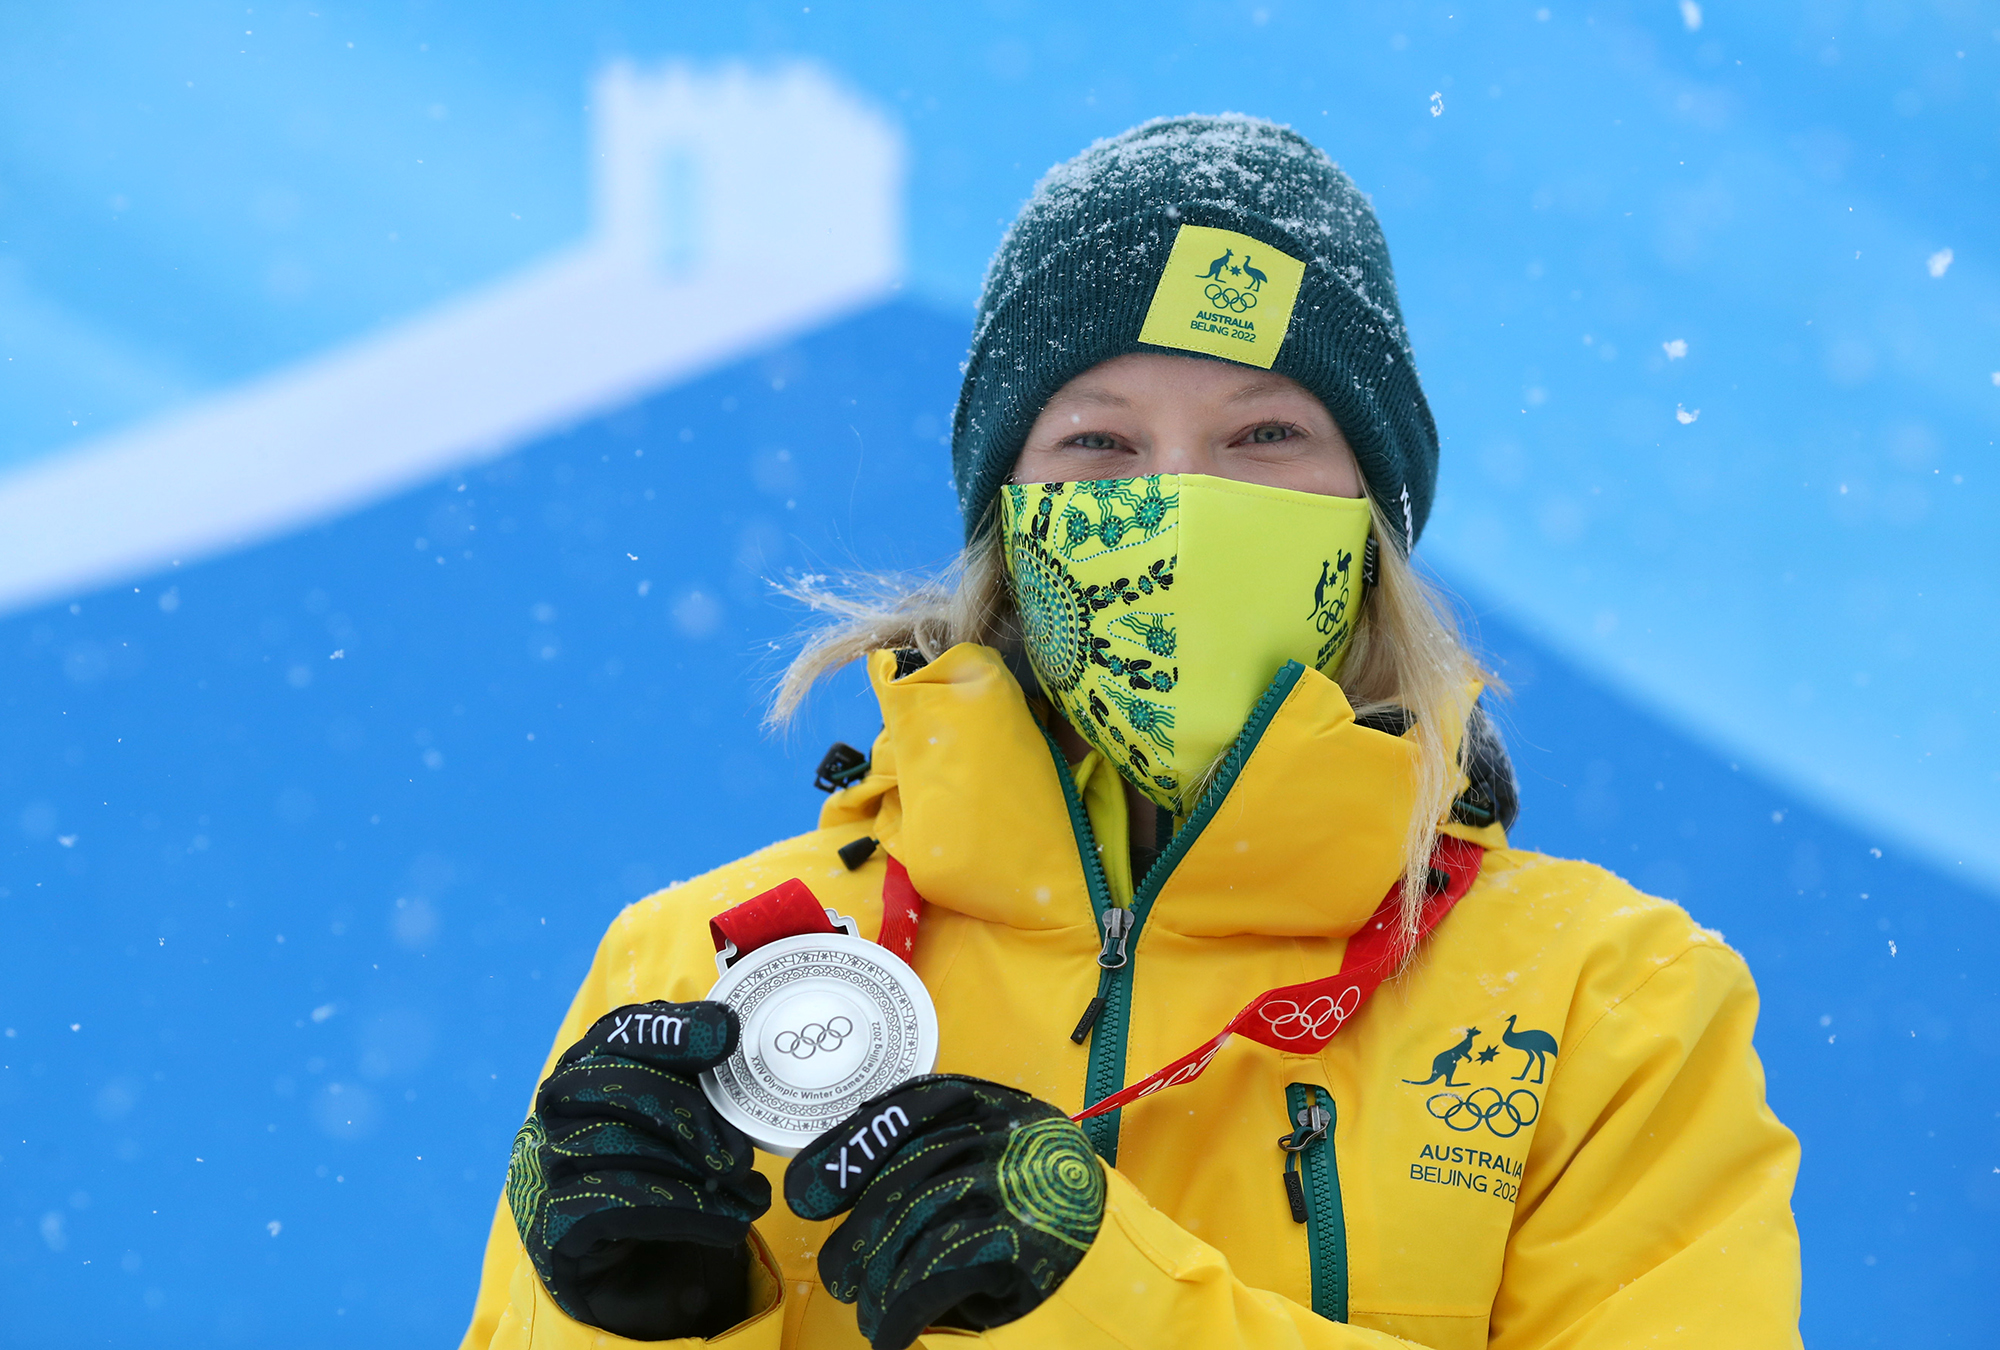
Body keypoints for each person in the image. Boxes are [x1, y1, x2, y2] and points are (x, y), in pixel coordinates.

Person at [459, 116, 1802, 1350]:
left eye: (1266, 431)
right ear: (1007, 516)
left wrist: (1113, 1306)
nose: (1181, 502)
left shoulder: (1603, 1001)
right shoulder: (712, 968)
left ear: (1372, 514)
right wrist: (643, 1327)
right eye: (1099, 444)